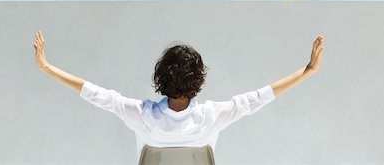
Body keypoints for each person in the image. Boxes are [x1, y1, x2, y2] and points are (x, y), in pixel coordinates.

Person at [33, 30, 324, 158]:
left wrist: (46, 67)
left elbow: (95, 94)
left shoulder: (142, 115)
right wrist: (308, 70)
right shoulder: (213, 116)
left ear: (160, 78)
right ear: (198, 80)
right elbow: (260, 97)